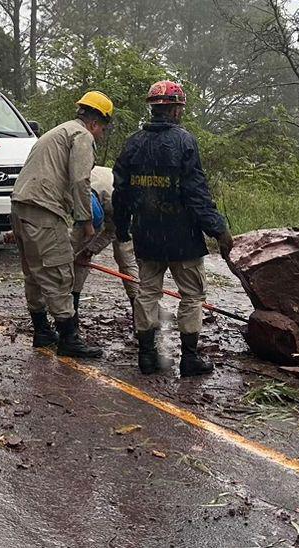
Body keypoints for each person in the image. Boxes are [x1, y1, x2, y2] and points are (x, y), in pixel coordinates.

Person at [112, 80, 234, 376]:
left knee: (147, 292)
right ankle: (189, 359)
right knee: (192, 295)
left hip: (146, 234)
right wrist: (218, 229)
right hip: (183, 237)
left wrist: (122, 228)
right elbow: (196, 193)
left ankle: (147, 356)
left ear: (153, 109)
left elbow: (121, 191)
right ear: (177, 110)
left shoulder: (133, 143)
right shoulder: (184, 141)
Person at [10, 91, 113, 359]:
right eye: (102, 129)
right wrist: (85, 220)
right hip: (43, 211)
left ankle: (42, 331)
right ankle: (69, 339)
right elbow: (80, 180)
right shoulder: (82, 136)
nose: (101, 135)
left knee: (34, 273)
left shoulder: (57, 132)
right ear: (95, 123)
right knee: (59, 273)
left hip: (20, 206)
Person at [71, 166, 139, 326]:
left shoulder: (119, 199)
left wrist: (91, 250)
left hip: (121, 213)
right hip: (87, 206)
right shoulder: (76, 189)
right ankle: (71, 311)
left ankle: (140, 312)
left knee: (124, 257)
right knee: (77, 256)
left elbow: (112, 231)